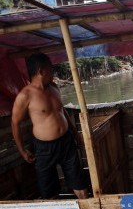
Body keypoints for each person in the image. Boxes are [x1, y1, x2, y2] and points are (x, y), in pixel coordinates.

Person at [11, 53, 88, 199]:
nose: (53, 71)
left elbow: (62, 110)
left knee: (79, 182)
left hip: (66, 142)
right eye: (50, 68)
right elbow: (15, 123)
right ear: (41, 71)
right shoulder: (25, 95)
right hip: (44, 148)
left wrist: (74, 131)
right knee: (48, 190)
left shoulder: (53, 87)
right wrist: (22, 151)